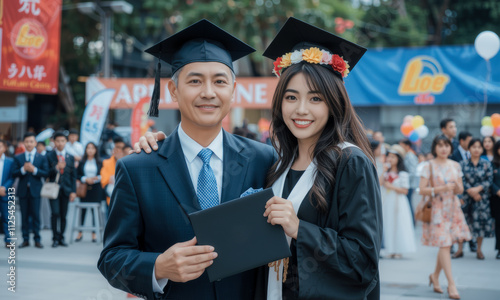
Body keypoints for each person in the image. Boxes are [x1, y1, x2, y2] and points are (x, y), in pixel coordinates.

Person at [137, 17, 383, 300]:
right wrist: (162, 147)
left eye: (316, 98)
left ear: (334, 102)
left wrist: (300, 229)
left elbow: (364, 262)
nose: (301, 110)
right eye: (291, 97)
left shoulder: (349, 162)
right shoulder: (274, 163)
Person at [98, 19, 275, 300]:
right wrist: (157, 267)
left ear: (233, 91)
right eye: (195, 81)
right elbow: (111, 259)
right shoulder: (138, 168)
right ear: (173, 90)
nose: (208, 92)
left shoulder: (264, 159)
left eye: (219, 81)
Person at [418, 135, 471, 299]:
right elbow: (422, 190)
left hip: (453, 208)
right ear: (435, 148)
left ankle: (434, 276)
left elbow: (460, 189)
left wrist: (456, 187)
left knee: (445, 245)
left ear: (450, 148)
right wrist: (441, 188)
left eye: (446, 145)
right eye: (440, 145)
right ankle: (451, 284)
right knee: (445, 244)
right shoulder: (429, 166)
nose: (443, 148)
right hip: (437, 209)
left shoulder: (455, 165)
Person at [457, 138, 494, 260]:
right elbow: (460, 179)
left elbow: (489, 180)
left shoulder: (486, 164)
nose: (476, 149)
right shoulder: (463, 164)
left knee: (480, 224)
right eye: (474, 147)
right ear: (469, 148)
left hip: (481, 198)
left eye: (479, 147)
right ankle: (460, 249)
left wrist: (478, 189)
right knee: (463, 222)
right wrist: (470, 191)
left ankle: (479, 250)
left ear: (482, 149)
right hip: (466, 197)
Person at [12, 132, 49, 248]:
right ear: (24, 143)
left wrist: (34, 170)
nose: (29, 144)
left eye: (31, 141)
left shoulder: (42, 157)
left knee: (36, 215)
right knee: (24, 216)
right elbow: (14, 173)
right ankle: (25, 239)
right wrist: (23, 169)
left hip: (36, 190)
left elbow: (46, 172)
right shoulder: (19, 157)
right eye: (27, 141)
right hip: (23, 191)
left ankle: (37, 239)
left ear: (35, 143)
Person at [380, 144, 416, 258]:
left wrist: (391, 186)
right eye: (389, 156)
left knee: (399, 223)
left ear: (398, 159)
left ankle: (398, 249)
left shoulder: (403, 174)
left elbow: (405, 190)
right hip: (387, 200)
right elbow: (380, 183)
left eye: (393, 157)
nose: (390, 159)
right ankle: (389, 249)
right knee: (388, 223)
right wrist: (384, 171)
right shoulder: (386, 171)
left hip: (398, 201)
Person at [46, 131, 77, 247]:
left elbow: (74, 176)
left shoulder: (70, 157)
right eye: (57, 141)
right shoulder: (49, 156)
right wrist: (55, 168)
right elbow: (45, 173)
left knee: (64, 215)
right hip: (53, 190)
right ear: (54, 142)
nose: (60, 143)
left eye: (62, 141)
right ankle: (54, 238)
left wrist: (73, 191)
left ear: (66, 142)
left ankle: (61, 237)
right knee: (55, 213)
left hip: (66, 189)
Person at [449, 131, 476, 253]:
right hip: (459, 194)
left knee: (471, 218)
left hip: (474, 193)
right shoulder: (453, 156)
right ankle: (454, 246)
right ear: (462, 141)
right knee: (457, 220)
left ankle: (471, 241)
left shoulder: (474, 154)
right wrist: (459, 194)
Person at [76, 142, 104, 242]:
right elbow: (78, 175)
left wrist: (96, 178)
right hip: (84, 188)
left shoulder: (100, 162)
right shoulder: (82, 162)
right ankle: (80, 233)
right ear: (86, 150)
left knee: (95, 211)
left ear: (96, 150)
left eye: (92, 148)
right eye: (88, 148)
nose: (90, 150)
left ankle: (94, 234)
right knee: (82, 211)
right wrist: (85, 179)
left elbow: (103, 174)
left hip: (96, 188)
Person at [100, 137, 126, 206]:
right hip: (111, 199)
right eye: (117, 147)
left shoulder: (129, 162)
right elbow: (104, 181)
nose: (119, 150)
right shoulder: (106, 162)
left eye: (121, 148)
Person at [399, 138, 419, 224]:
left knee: (409, 202)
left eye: (402, 146)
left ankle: (412, 222)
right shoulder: (406, 155)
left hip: (410, 184)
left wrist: (403, 176)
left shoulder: (410, 156)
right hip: (408, 183)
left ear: (407, 146)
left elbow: (413, 171)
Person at [0, 139, 15, 248]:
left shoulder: (10, 161)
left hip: (4, 193)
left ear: (5, 148)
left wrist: (4, 187)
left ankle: (8, 239)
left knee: (7, 217)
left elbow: (12, 177)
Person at [489, 140, 500, 259]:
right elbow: (490, 180)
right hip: (497, 198)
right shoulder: (493, 164)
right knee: (499, 223)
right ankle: (499, 248)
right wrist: (497, 191)